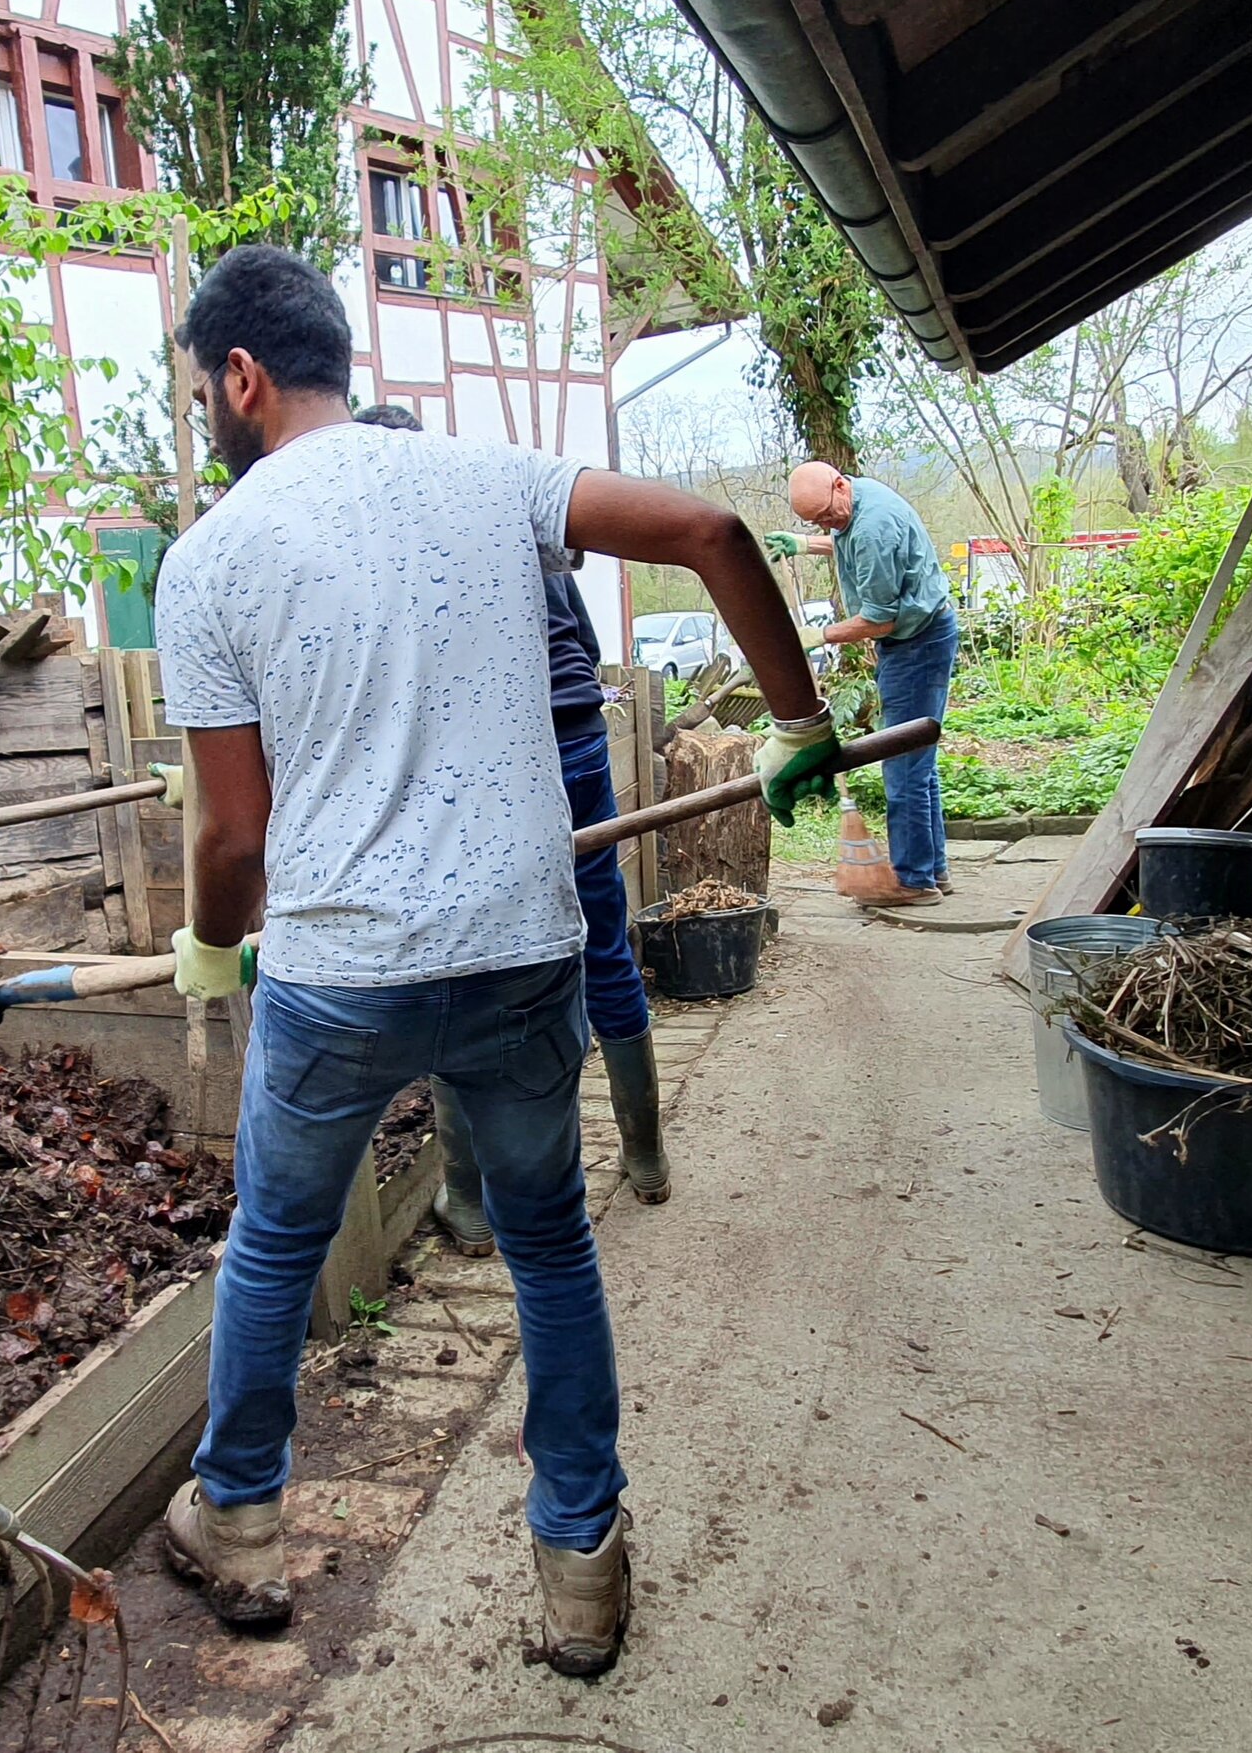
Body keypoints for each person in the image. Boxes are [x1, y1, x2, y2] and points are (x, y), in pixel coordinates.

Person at [154, 245, 833, 1675]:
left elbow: (233, 834)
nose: (204, 415)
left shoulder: (208, 560)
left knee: (273, 1247)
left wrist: (215, 955)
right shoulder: (489, 478)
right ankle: (581, 1561)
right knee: (547, 1241)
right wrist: (799, 720)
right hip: (522, 947)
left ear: (241, 378)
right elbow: (716, 528)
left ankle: (245, 1525)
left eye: (198, 391)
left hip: (337, 971)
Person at [351, 404, 669, 1212]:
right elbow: (582, 645)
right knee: (601, 939)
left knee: (467, 953)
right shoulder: (508, 506)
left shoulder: (412, 537)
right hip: (579, 735)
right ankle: (645, 1157)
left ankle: (467, 1199)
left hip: (503, 750)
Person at [767, 461, 958, 904]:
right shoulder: (860, 496)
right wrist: (805, 544)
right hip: (923, 638)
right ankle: (934, 870)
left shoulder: (873, 527)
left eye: (826, 515)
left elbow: (880, 620)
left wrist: (819, 634)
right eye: (814, 521)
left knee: (904, 765)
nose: (825, 523)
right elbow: (844, 539)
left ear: (839, 484)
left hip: (916, 646)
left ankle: (913, 880)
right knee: (919, 763)